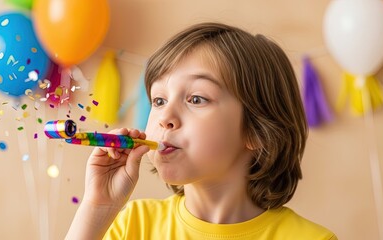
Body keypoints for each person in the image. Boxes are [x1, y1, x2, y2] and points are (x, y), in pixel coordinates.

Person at [66, 22, 337, 240]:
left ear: (256, 130)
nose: (165, 118)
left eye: (196, 99)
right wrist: (97, 208)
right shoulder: (132, 227)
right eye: (159, 100)